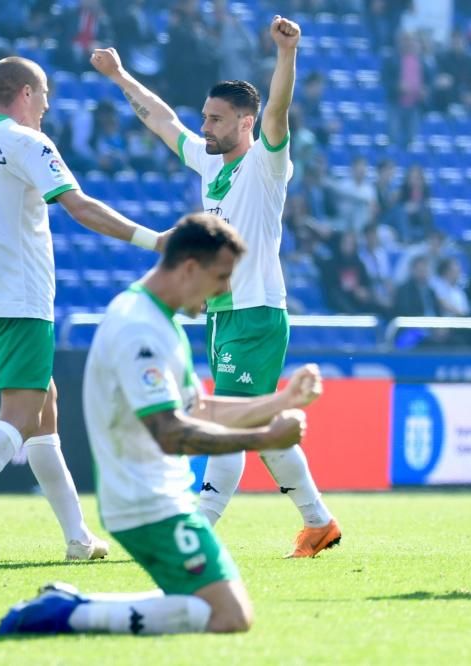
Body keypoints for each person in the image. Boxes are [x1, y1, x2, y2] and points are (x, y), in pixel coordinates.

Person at [0, 213, 323, 636]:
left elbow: (199, 409)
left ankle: (69, 607)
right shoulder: (140, 329)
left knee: (214, 605)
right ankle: (69, 613)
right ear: (190, 268)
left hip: (158, 496)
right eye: (221, 277)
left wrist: (280, 400)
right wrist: (265, 437)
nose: (225, 290)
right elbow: (170, 433)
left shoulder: (158, 320)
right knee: (229, 615)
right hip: (146, 502)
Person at [91, 16, 341, 558]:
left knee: (230, 417)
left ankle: (198, 527)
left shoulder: (267, 164)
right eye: (205, 116)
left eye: (216, 118)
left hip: (254, 312)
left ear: (245, 122)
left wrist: (286, 54)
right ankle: (318, 522)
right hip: (222, 314)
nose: (204, 126)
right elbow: (159, 120)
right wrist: (120, 76)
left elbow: (278, 110)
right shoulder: (209, 161)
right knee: (259, 419)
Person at [0, 56, 170, 565]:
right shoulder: (26, 142)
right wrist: (152, 238)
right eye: (44, 92)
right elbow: (80, 205)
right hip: (23, 296)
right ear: (23, 92)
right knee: (21, 414)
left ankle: (77, 537)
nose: (49, 104)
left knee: (44, 411)